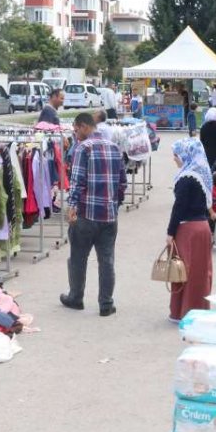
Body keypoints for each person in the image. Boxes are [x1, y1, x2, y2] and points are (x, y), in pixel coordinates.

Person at [60, 113, 126, 317]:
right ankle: (106, 303)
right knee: (106, 260)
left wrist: (71, 207)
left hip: (86, 215)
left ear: (83, 126)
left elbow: (78, 181)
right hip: (109, 216)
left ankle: (76, 298)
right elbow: (123, 183)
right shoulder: (115, 147)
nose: (75, 134)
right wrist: (114, 205)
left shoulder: (83, 148)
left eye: (76, 129)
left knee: (78, 257)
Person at [166, 139, 214, 321]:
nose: (175, 159)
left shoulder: (186, 178)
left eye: (176, 155)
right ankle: (196, 309)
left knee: (184, 272)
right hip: (202, 227)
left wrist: (170, 232)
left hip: (188, 229)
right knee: (200, 272)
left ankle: (183, 311)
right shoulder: (202, 173)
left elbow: (179, 207)